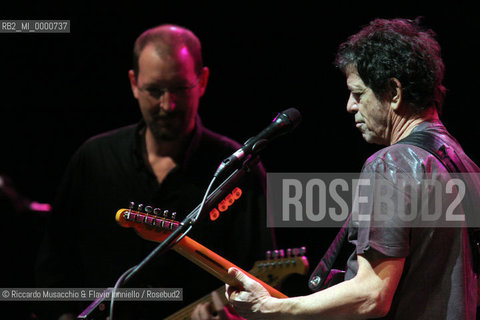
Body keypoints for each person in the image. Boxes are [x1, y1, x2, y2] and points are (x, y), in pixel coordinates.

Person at [224, 18, 480, 319]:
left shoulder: (392, 163)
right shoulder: (463, 163)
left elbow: (372, 295)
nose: (349, 106)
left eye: (358, 94)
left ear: (394, 92)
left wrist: (273, 308)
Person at [35, 24, 274, 320]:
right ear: (134, 83)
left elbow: (261, 276)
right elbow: (53, 265)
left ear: (203, 81)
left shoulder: (239, 171)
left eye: (179, 88)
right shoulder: (94, 158)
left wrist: (231, 313)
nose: (167, 104)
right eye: (154, 90)